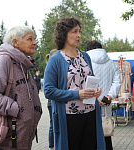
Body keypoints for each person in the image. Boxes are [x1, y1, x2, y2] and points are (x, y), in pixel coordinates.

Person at [43, 17, 106, 150]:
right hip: (69, 117)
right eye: (74, 31)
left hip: (91, 113)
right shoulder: (56, 60)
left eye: (79, 31)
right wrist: (77, 94)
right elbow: (48, 91)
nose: (78, 35)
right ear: (64, 34)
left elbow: (90, 78)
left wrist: (97, 89)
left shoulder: (85, 56)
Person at [0, 25, 42, 150]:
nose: (35, 42)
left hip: (19, 139)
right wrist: (16, 108)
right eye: (30, 39)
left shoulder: (23, 63)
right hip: (4, 141)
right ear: (15, 42)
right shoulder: (4, 60)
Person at [86, 40, 121, 150]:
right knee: (105, 133)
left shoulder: (86, 62)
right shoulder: (112, 64)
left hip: (90, 102)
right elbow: (117, 83)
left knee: (90, 133)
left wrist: (96, 98)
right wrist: (109, 96)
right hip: (106, 104)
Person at [45, 49, 58, 150]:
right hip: (52, 102)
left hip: (53, 101)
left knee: (53, 124)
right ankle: (52, 145)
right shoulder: (50, 69)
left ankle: (54, 144)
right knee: (53, 124)